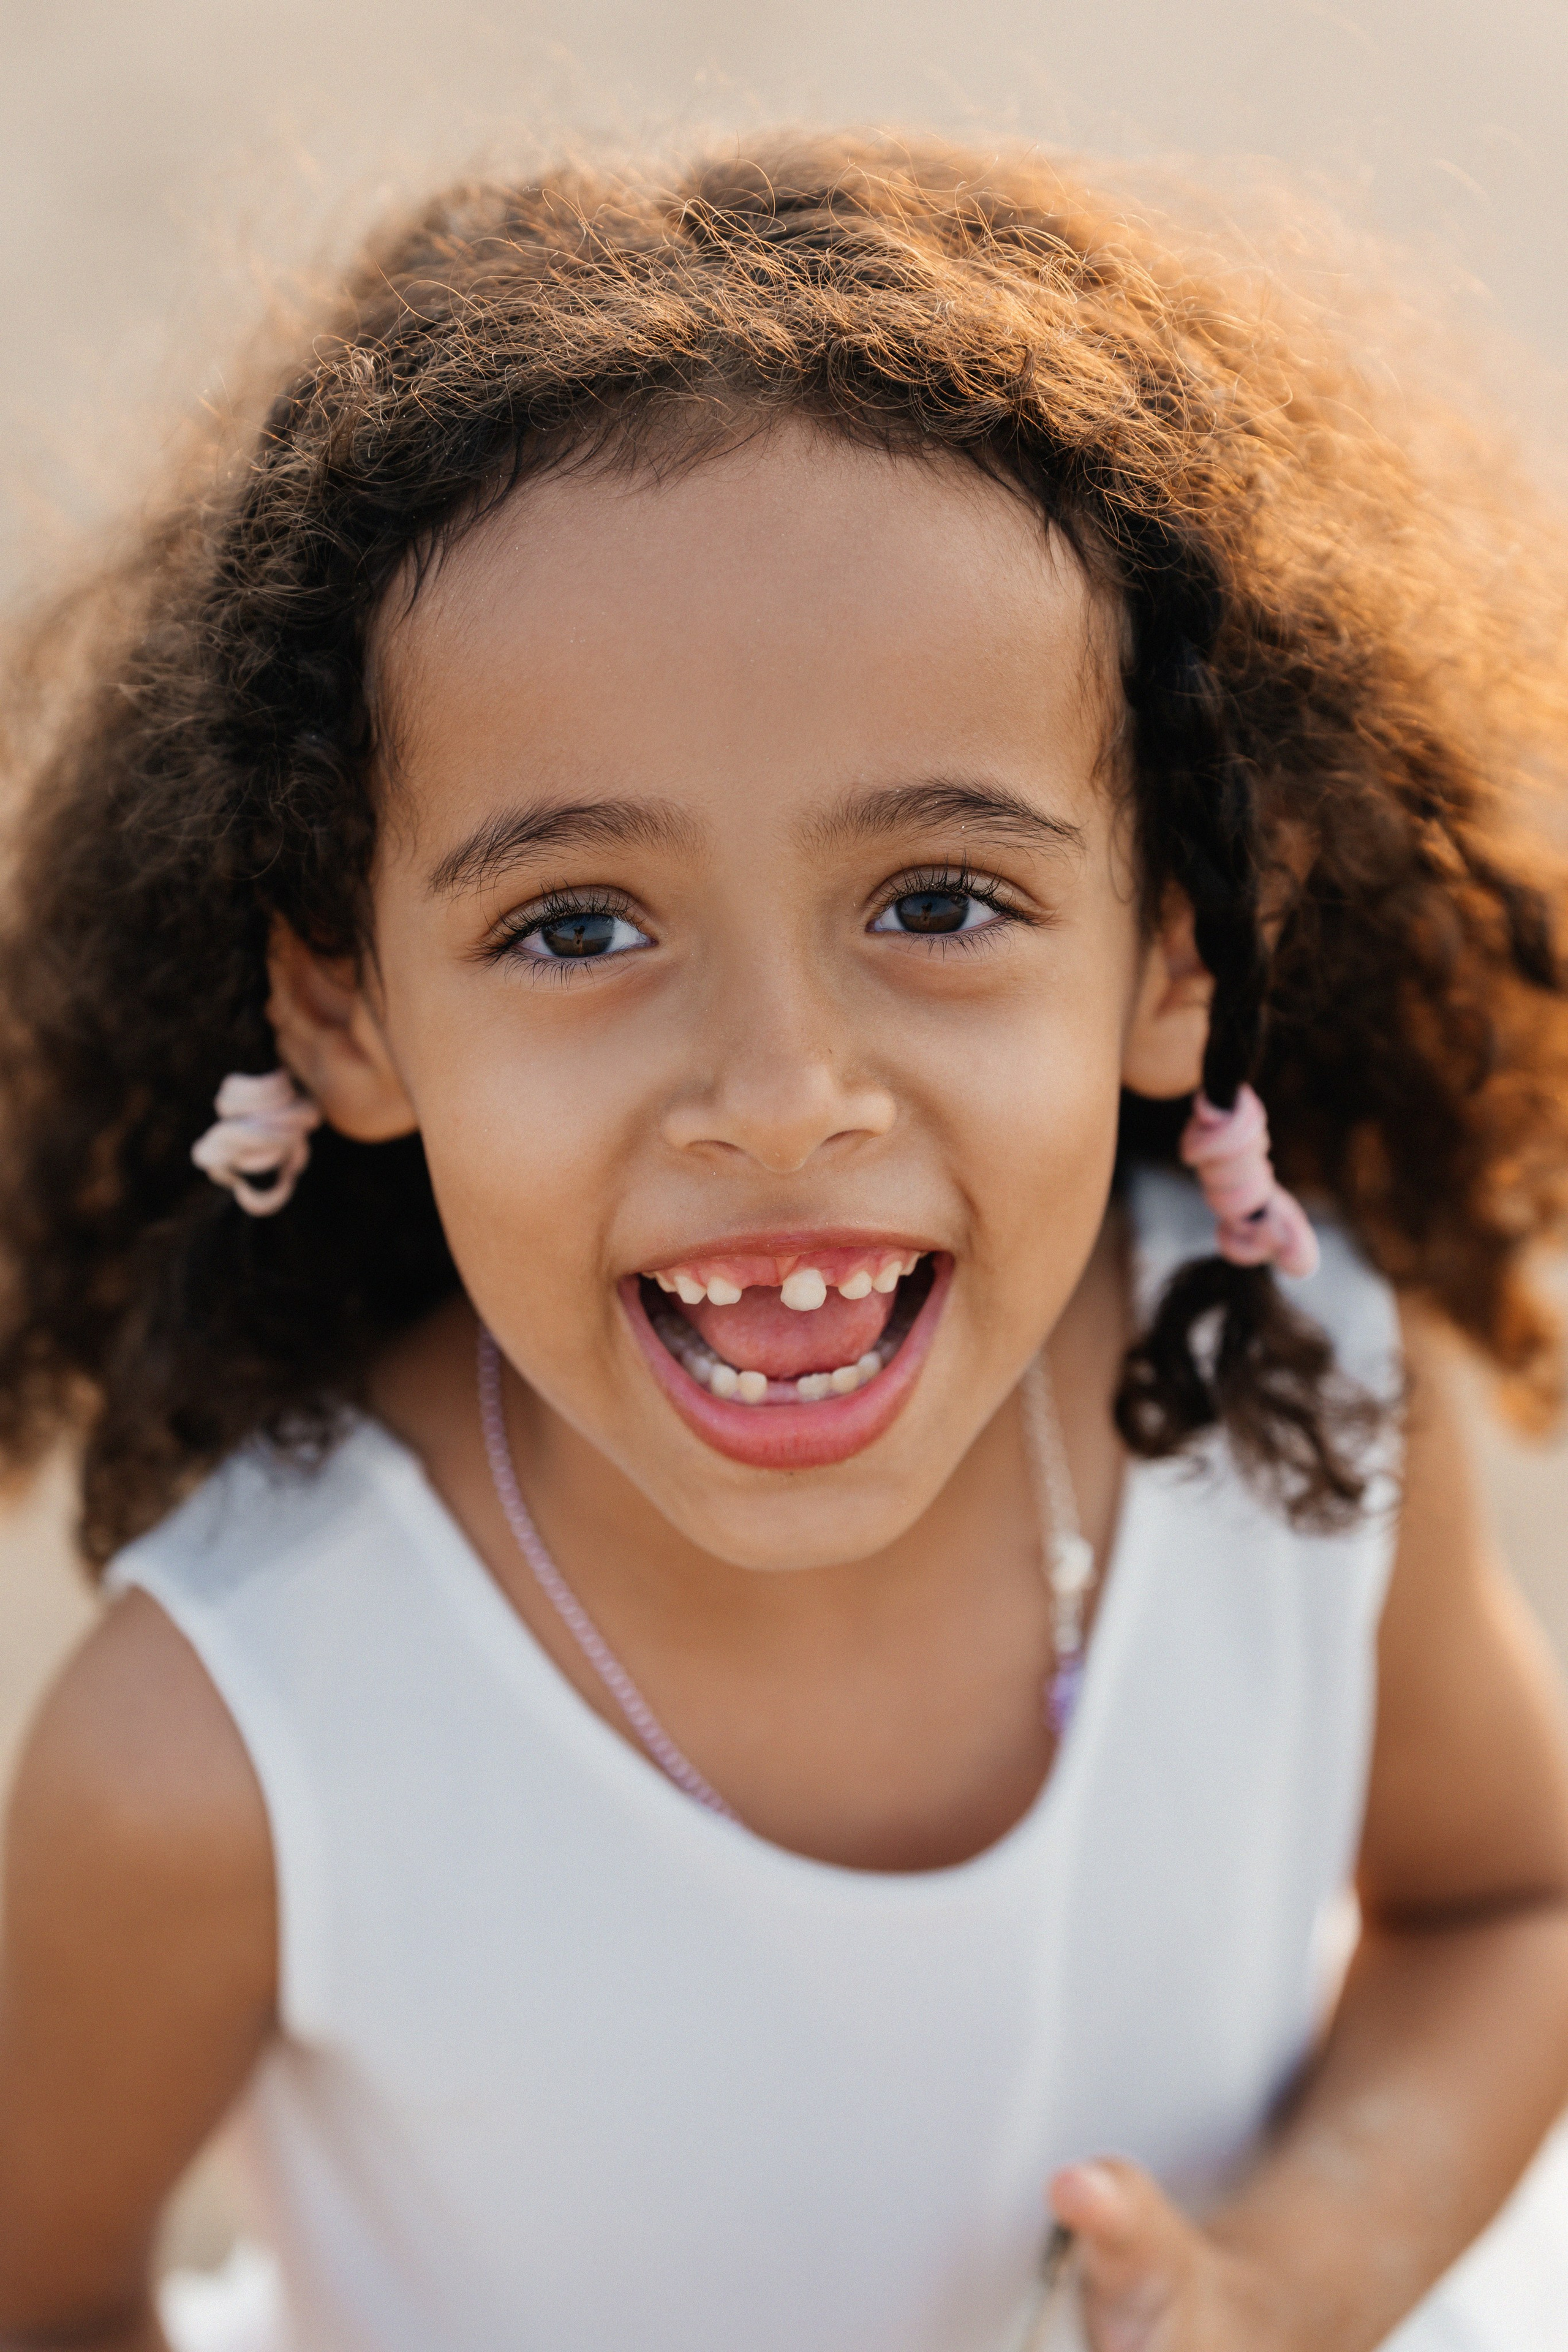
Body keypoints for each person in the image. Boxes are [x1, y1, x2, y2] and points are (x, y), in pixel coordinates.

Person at [1, 134, 1567, 2352]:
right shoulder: (221, 1749)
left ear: (1175, 956)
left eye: (939, 903)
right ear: (344, 1007)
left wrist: (1289, 2280)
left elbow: (1507, 1907)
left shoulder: (1292, 1400)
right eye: (576, 923)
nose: (779, 1089)